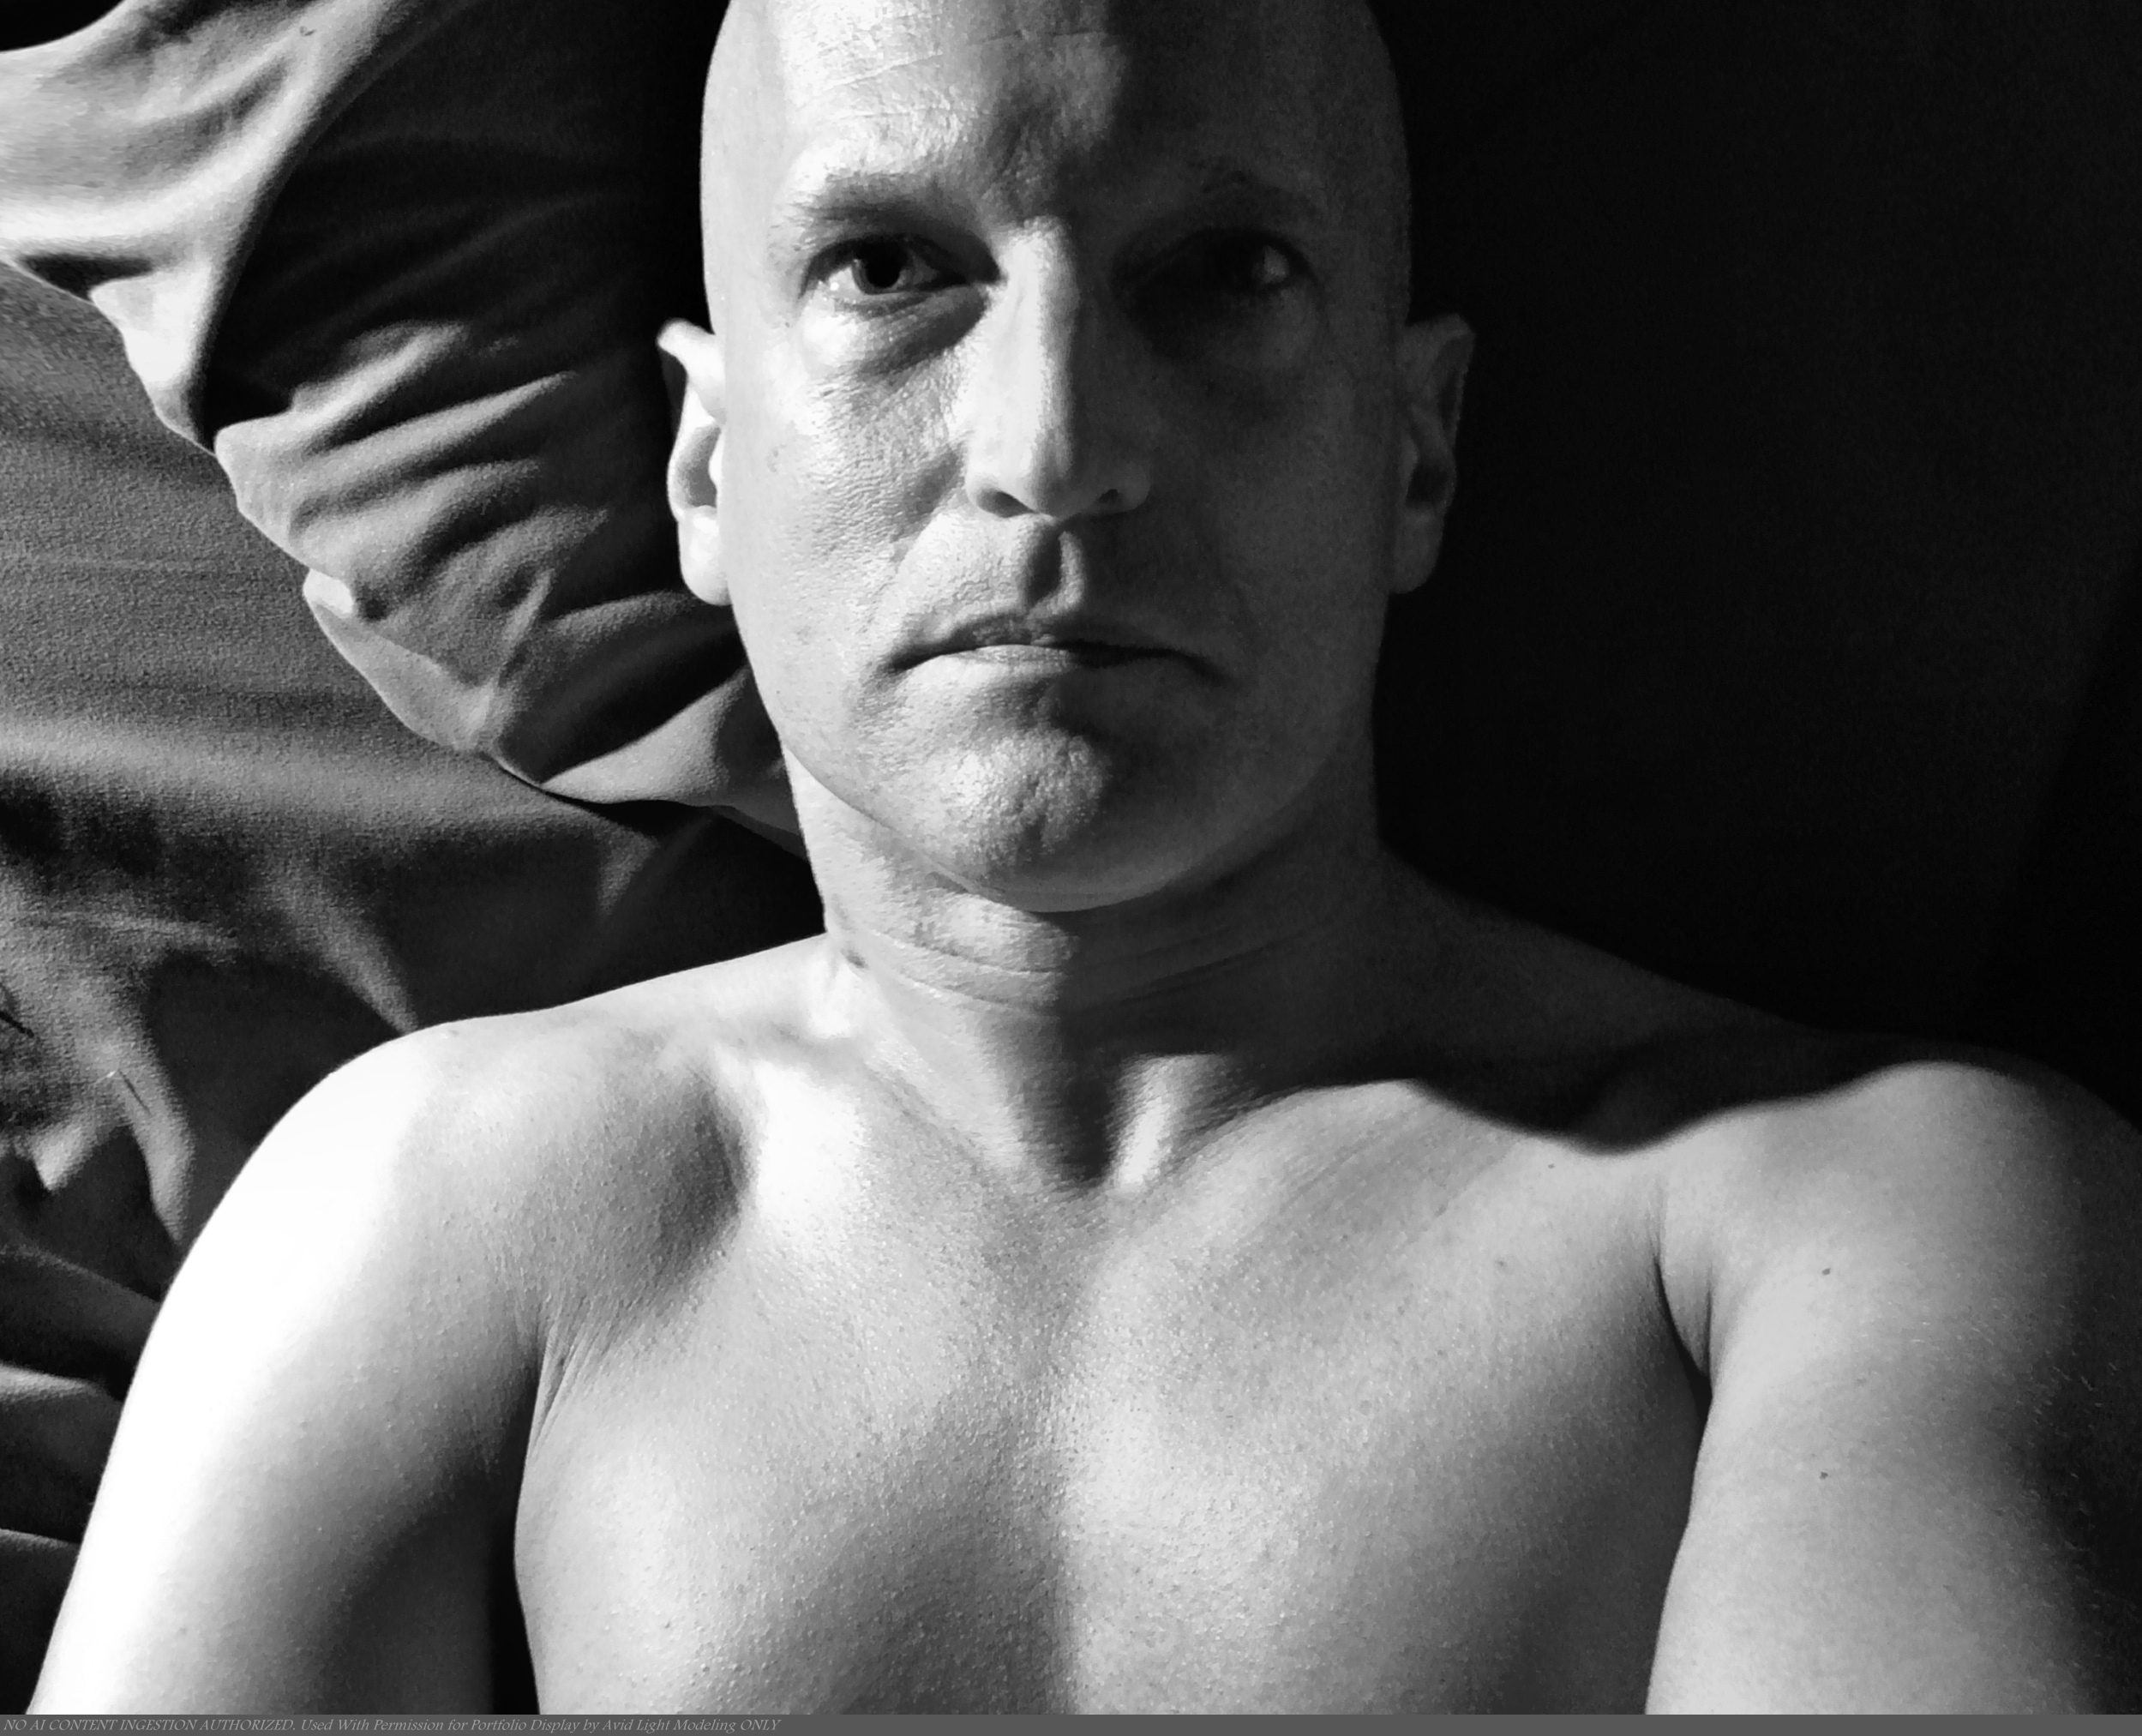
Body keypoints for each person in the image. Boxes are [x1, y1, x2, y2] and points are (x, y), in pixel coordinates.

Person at [31, 0, 2142, 1711]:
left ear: (1411, 450)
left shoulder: (1854, 1215)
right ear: (705, 466)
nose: (1056, 449)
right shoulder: (421, 1211)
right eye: (888, 270)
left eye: (1219, 276)